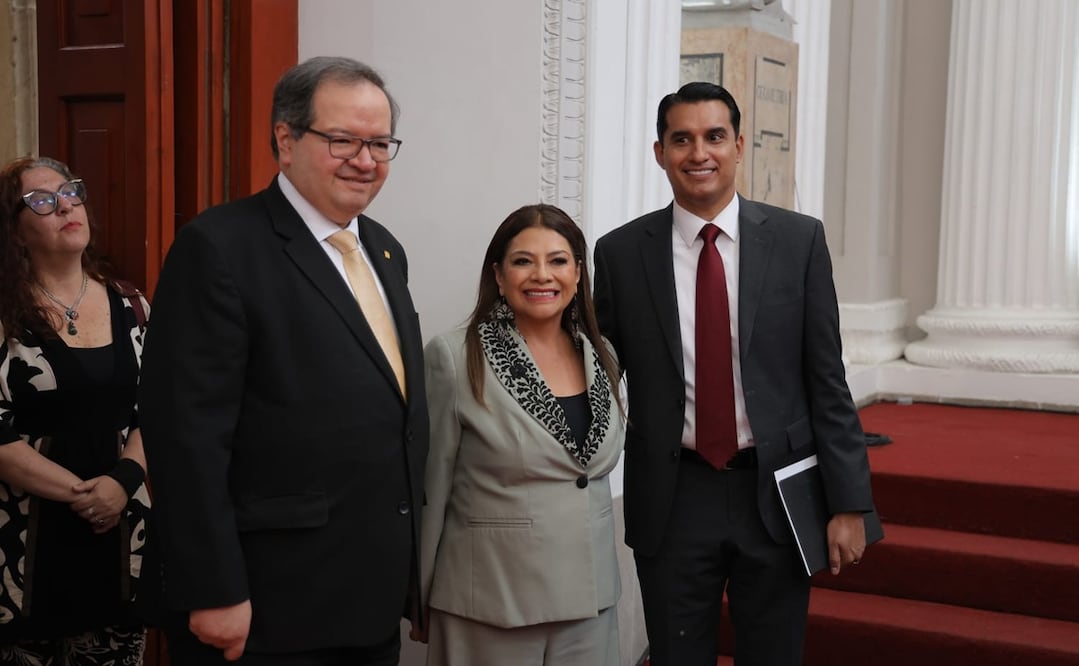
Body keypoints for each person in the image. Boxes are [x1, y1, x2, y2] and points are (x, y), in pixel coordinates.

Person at [138, 56, 429, 665]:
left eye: (380, 143)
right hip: (267, 604)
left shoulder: (382, 249)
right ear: (285, 139)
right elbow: (186, 438)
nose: (366, 160)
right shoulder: (218, 248)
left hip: (368, 598)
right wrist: (213, 589)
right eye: (344, 140)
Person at [592, 82, 875, 666]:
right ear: (659, 152)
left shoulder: (799, 242)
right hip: (674, 497)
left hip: (774, 490)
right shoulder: (620, 254)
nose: (700, 152)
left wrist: (850, 503)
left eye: (714, 136)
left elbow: (828, 381)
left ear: (740, 145)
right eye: (682, 139)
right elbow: (600, 375)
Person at [417, 204, 625, 666]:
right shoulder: (453, 356)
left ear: (576, 273)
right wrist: (419, 595)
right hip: (491, 603)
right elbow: (431, 489)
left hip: (590, 603)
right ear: (499, 273)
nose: (541, 275)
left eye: (557, 260)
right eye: (522, 260)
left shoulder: (603, 354)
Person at [0, 156, 153, 664]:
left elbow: (157, 407)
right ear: (16, 230)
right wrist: (88, 495)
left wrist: (122, 481)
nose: (66, 205)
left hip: (119, 543)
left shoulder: (133, 304)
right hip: (22, 550)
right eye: (41, 201)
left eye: (71, 192)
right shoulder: (3, 314)